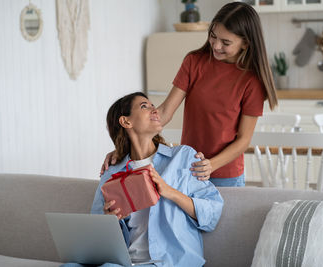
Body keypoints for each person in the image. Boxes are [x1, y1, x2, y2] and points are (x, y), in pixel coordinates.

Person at [101, 2, 278, 187]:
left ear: (245, 44)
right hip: (188, 168)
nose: (216, 45)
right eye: (213, 36)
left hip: (226, 176)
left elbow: (243, 140)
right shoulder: (195, 62)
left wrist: (211, 165)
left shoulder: (252, 81)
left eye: (226, 42)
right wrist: (124, 148)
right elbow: (164, 113)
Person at [63, 92, 223, 267]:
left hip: (170, 262)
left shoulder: (184, 157)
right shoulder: (112, 173)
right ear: (126, 122)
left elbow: (212, 213)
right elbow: (95, 231)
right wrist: (109, 221)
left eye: (153, 105)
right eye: (144, 106)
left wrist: (170, 192)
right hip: (125, 262)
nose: (154, 109)